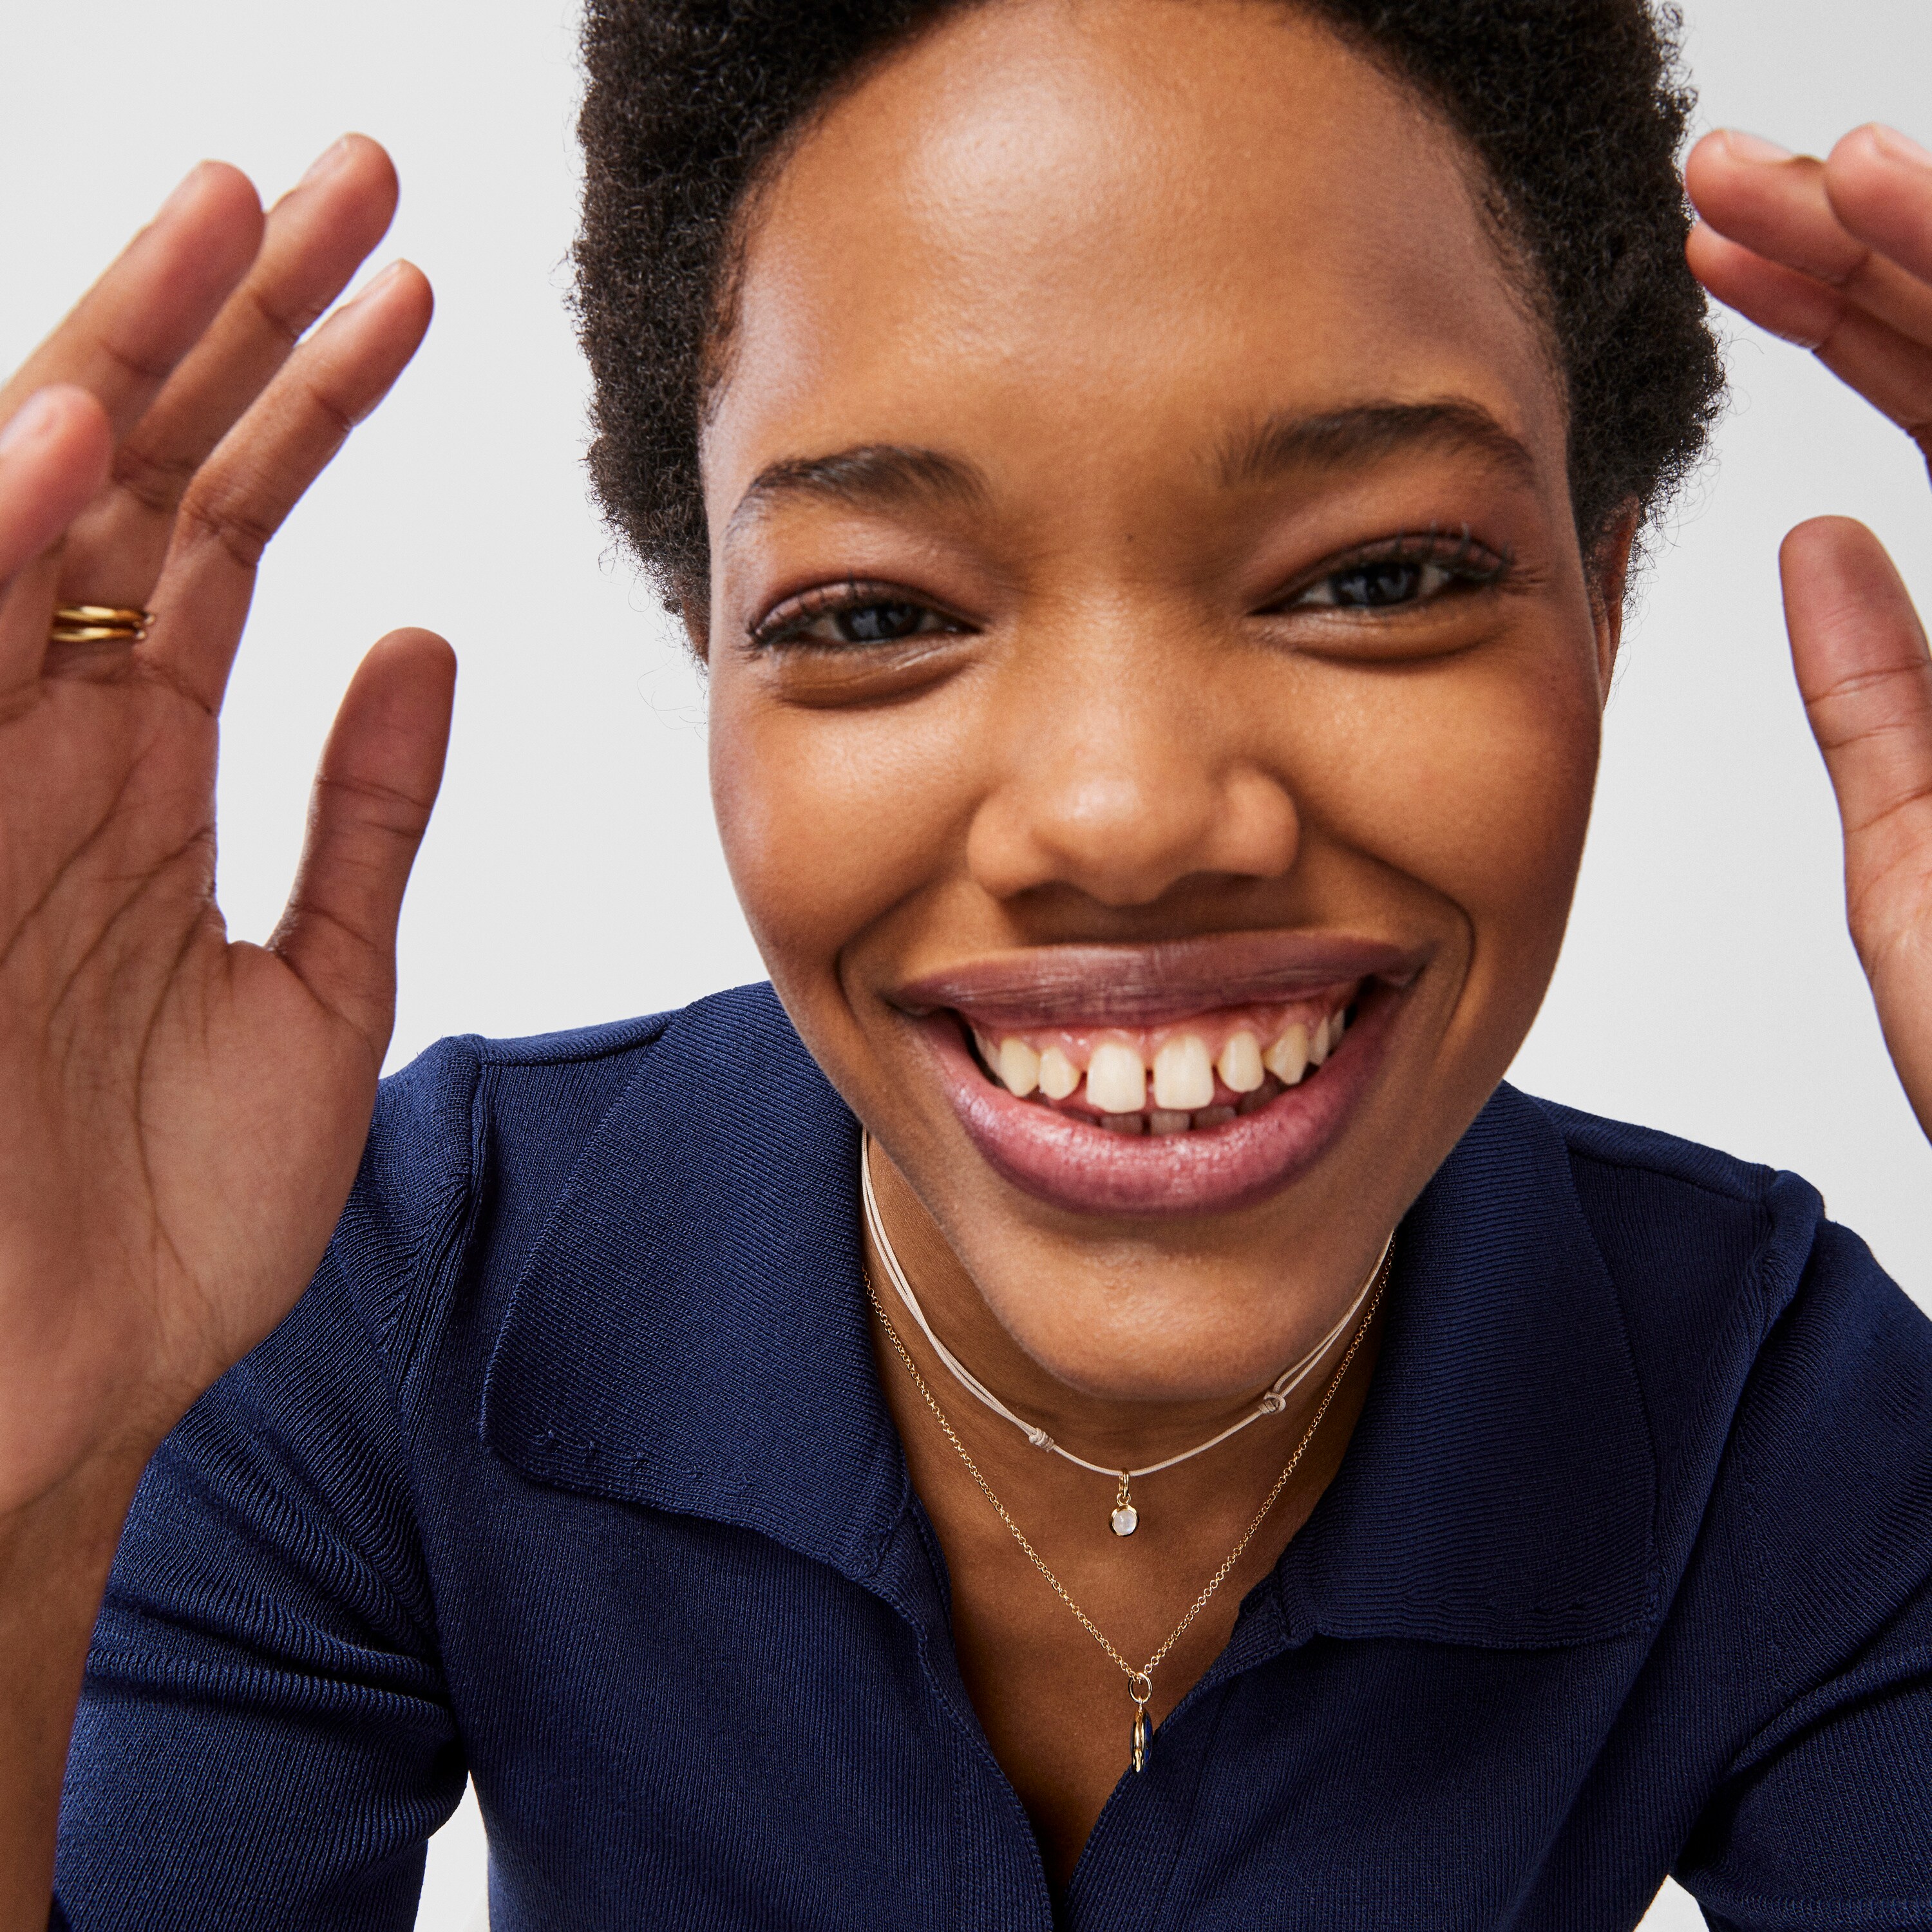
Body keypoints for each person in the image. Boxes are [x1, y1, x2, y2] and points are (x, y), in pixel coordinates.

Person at [1, 0, 1929, 1926]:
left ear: (1604, 596)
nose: (1124, 816)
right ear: (708, 645)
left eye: (1378, 576)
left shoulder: (1781, 1415)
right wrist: (32, 1521)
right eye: (871, 613)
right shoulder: (378, 1289)